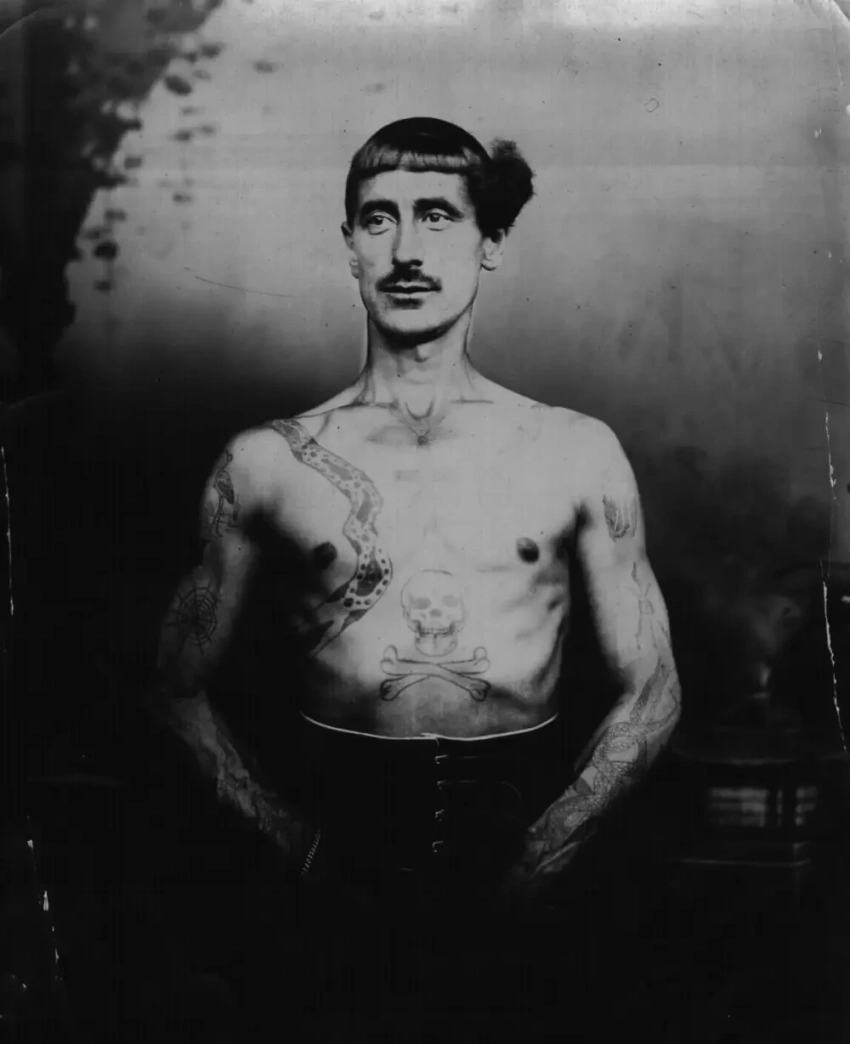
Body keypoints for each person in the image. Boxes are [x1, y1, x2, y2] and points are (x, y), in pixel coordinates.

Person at [149, 117, 682, 1041]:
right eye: (378, 218)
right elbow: (172, 686)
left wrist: (546, 851)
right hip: (335, 870)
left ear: (491, 242)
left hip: (522, 859)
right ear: (349, 246)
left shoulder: (574, 451)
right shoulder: (267, 462)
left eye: (437, 215)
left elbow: (656, 685)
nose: (405, 250)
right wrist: (297, 848)